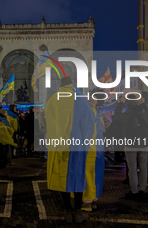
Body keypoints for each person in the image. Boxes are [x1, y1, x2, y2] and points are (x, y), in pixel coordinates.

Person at [45, 78, 96, 223]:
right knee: (77, 176)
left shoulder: (52, 99)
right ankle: (78, 212)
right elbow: (89, 122)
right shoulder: (78, 98)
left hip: (58, 145)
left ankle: (67, 211)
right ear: (72, 84)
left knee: (63, 178)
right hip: (76, 145)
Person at [114, 95, 148, 198]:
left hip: (130, 144)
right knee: (144, 167)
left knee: (132, 168)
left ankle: (134, 190)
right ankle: (142, 189)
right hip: (144, 144)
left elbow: (116, 115)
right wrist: (144, 103)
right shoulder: (144, 114)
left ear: (127, 103)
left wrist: (121, 103)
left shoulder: (126, 115)